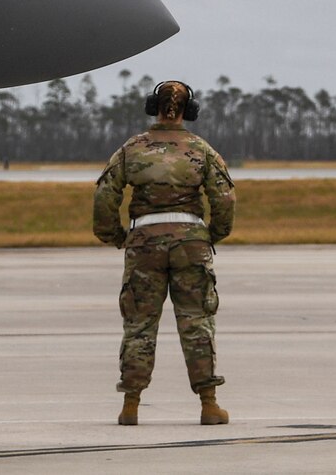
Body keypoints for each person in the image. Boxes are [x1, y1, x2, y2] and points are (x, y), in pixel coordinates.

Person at [92, 79, 236, 426]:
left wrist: (118, 237)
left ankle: (130, 405)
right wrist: (209, 235)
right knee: (196, 321)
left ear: (152, 107)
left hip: (144, 243)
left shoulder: (132, 148)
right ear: (189, 111)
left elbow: (105, 196)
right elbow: (225, 198)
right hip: (191, 245)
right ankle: (208, 404)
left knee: (139, 324)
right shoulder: (201, 150)